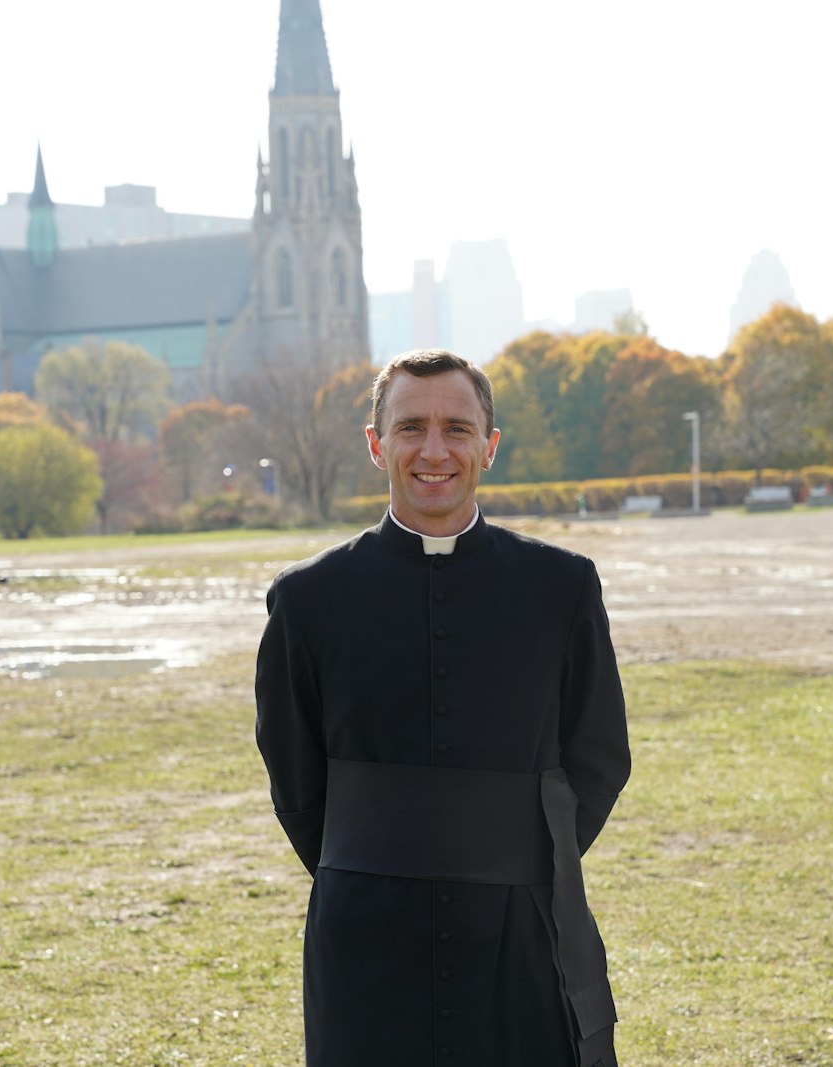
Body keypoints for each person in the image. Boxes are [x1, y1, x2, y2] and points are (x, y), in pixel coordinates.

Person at [255, 349, 630, 1066]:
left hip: (521, 925)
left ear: (489, 445)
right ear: (376, 445)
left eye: (457, 428)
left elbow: (600, 756)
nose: (434, 450)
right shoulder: (308, 600)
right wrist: (372, 860)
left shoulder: (562, 588)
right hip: (363, 930)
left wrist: (506, 855)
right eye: (410, 428)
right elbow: (295, 781)